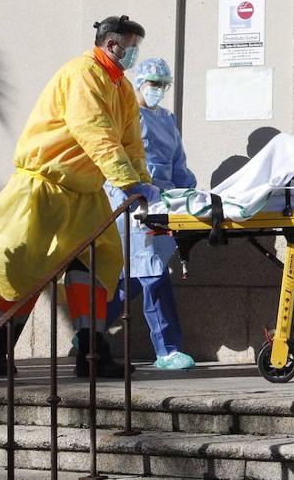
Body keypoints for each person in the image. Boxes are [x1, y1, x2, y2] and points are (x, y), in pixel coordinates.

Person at [0, 15, 159, 378]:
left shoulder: (121, 88)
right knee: (25, 272)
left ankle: (92, 354)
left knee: (97, 265)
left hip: (85, 192)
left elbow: (131, 142)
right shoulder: (82, 74)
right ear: (112, 44)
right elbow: (95, 132)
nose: (134, 55)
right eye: (132, 47)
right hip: (44, 187)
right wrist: (127, 181)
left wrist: (141, 182)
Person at [101, 57, 198, 370]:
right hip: (134, 205)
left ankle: (90, 332)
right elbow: (115, 160)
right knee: (152, 274)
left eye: (163, 85)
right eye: (153, 84)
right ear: (140, 82)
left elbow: (178, 165)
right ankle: (167, 349)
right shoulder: (128, 116)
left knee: (130, 279)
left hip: (162, 204)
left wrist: (188, 194)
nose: (158, 90)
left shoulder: (167, 119)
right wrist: (126, 195)